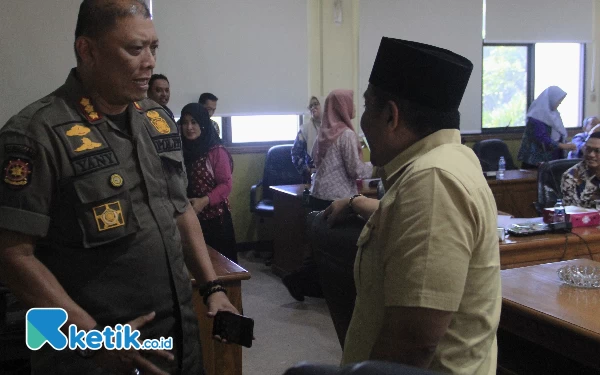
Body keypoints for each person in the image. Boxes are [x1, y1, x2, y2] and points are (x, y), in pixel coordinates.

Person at [0, 1, 237, 374]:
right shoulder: (35, 134)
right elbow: (13, 256)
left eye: (153, 48)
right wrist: (91, 337)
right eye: (134, 49)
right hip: (90, 355)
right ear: (87, 50)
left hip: (178, 340)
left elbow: (179, 210)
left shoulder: (156, 120)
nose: (149, 62)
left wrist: (212, 288)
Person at [323, 37, 500, 374]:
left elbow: (413, 340)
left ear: (390, 115)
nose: (360, 125)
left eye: (366, 107)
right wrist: (355, 202)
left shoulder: (434, 179)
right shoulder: (440, 165)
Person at [180, 103, 237, 263]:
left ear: (203, 124)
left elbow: (226, 185)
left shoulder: (216, 151)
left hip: (215, 220)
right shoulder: (180, 151)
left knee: (220, 266)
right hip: (188, 217)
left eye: (194, 122)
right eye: (185, 122)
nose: (189, 127)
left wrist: (203, 201)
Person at [310, 89, 373, 208]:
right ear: (342, 107)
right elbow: (356, 170)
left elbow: (314, 158)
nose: (354, 106)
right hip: (338, 201)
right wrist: (376, 167)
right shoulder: (346, 134)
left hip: (317, 195)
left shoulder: (323, 133)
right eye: (350, 102)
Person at [517, 86, 576, 168]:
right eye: (558, 100)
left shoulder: (554, 114)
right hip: (536, 160)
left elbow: (558, 133)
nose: (559, 103)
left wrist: (564, 143)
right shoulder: (536, 116)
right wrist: (563, 146)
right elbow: (541, 138)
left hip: (553, 157)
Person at [561, 132, 600, 208]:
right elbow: (572, 212)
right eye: (588, 149)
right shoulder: (572, 176)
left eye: (597, 151)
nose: (591, 154)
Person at [291, 96, 322, 180]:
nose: (313, 108)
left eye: (316, 104)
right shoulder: (304, 130)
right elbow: (295, 154)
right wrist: (307, 170)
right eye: (310, 106)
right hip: (311, 178)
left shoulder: (333, 127)